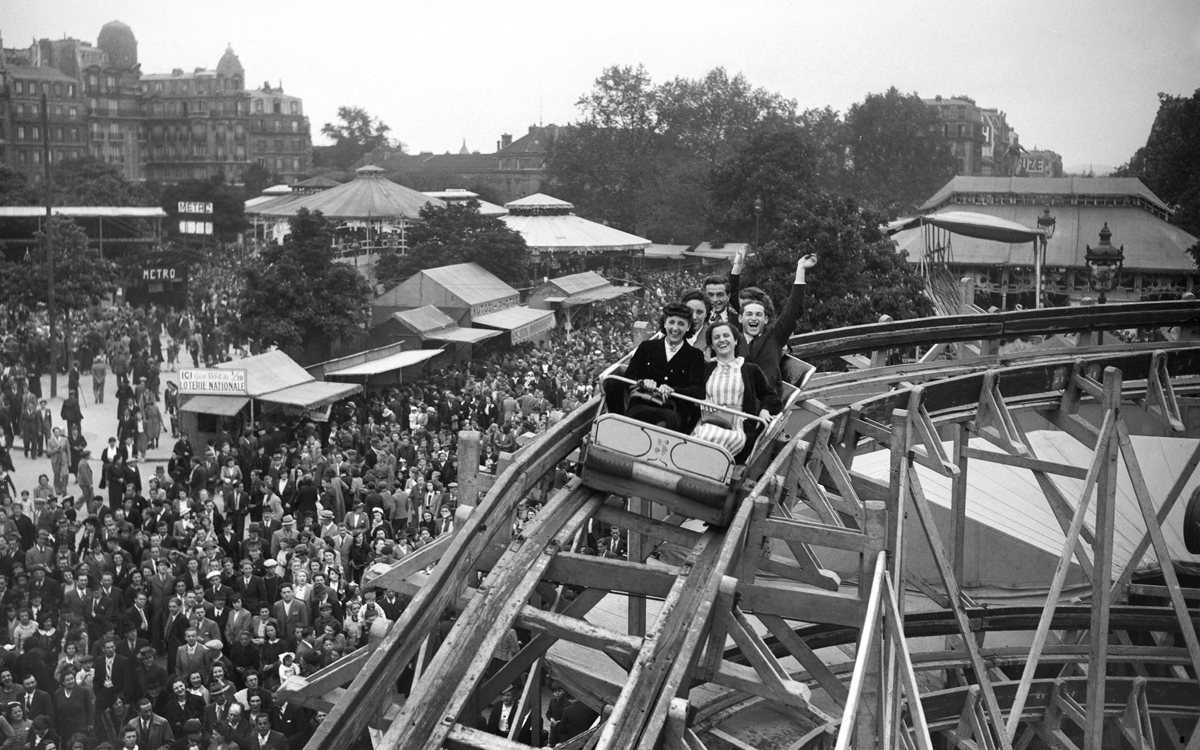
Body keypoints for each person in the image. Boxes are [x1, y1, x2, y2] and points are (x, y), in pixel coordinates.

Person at [605, 301, 705, 433]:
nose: (675, 328)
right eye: (671, 322)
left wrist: (673, 390)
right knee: (637, 418)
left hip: (673, 410)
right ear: (664, 323)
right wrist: (642, 382)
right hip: (642, 404)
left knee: (663, 423)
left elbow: (697, 390)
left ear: (688, 327)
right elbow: (630, 375)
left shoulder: (695, 356)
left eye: (681, 324)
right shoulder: (647, 347)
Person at [690, 321, 781, 462]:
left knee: (721, 438)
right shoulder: (705, 369)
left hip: (737, 425)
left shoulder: (750, 369)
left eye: (726, 335)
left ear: (736, 340)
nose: (722, 340)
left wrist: (765, 410)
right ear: (712, 345)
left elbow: (771, 396)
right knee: (704, 434)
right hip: (708, 420)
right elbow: (693, 392)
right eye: (716, 337)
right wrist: (701, 402)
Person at [730, 251, 818, 395]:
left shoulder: (774, 336)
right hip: (737, 399)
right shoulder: (733, 339)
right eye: (749, 314)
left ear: (765, 318)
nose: (753, 318)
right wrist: (737, 265)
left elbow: (793, 308)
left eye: (759, 314)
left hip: (767, 401)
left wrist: (801, 268)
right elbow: (733, 294)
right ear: (740, 318)